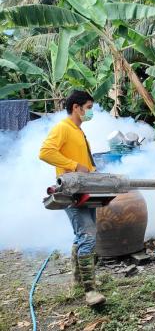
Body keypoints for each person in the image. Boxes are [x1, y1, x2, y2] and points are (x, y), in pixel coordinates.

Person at [39, 91, 106, 306]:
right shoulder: (63, 128)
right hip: (70, 191)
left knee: (83, 236)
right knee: (87, 237)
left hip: (85, 188)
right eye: (88, 107)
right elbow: (45, 152)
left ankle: (78, 281)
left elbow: (84, 161)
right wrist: (74, 165)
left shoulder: (78, 130)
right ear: (76, 107)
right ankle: (90, 292)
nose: (90, 112)